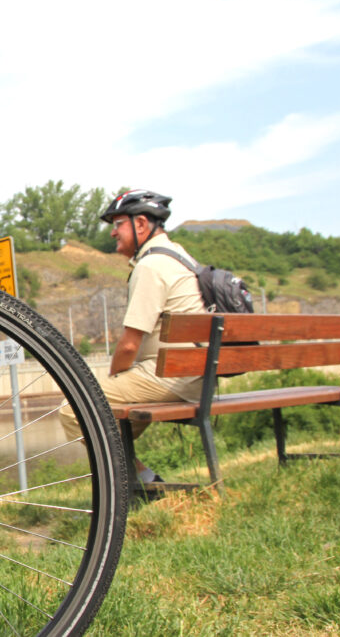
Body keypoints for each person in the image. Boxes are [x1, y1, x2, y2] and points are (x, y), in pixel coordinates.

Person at [59, 189, 204, 485]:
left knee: (75, 408)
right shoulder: (180, 257)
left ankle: (142, 481)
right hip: (197, 375)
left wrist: (113, 378)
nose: (113, 232)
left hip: (172, 377)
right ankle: (134, 482)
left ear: (141, 224)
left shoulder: (150, 266)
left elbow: (128, 346)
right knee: (108, 420)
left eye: (118, 224)